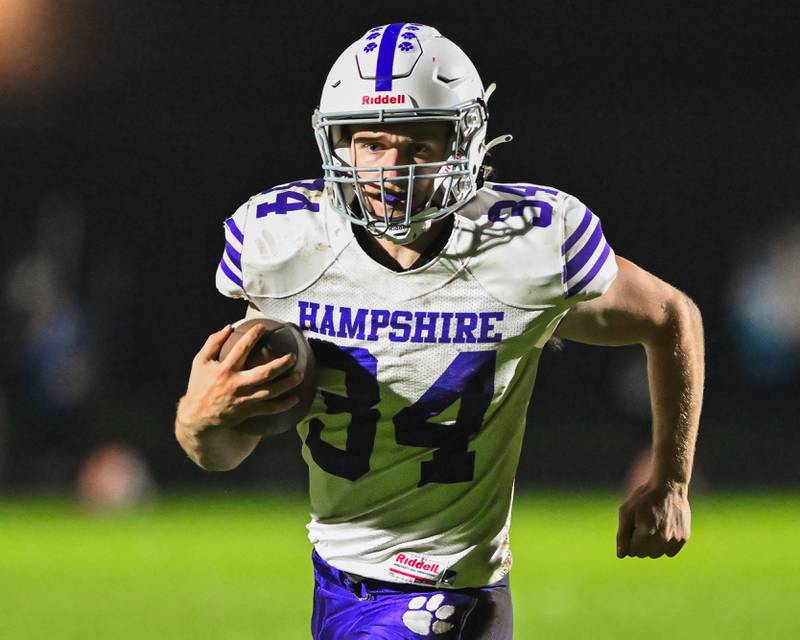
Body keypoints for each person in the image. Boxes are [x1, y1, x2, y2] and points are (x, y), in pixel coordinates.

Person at [175, 23, 704, 639]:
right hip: (335, 580)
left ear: (466, 142)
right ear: (337, 144)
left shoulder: (524, 245)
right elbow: (219, 454)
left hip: (450, 592)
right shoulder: (284, 245)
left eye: (418, 143)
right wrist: (197, 420)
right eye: (371, 143)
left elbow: (671, 317)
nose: (390, 168)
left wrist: (670, 479)